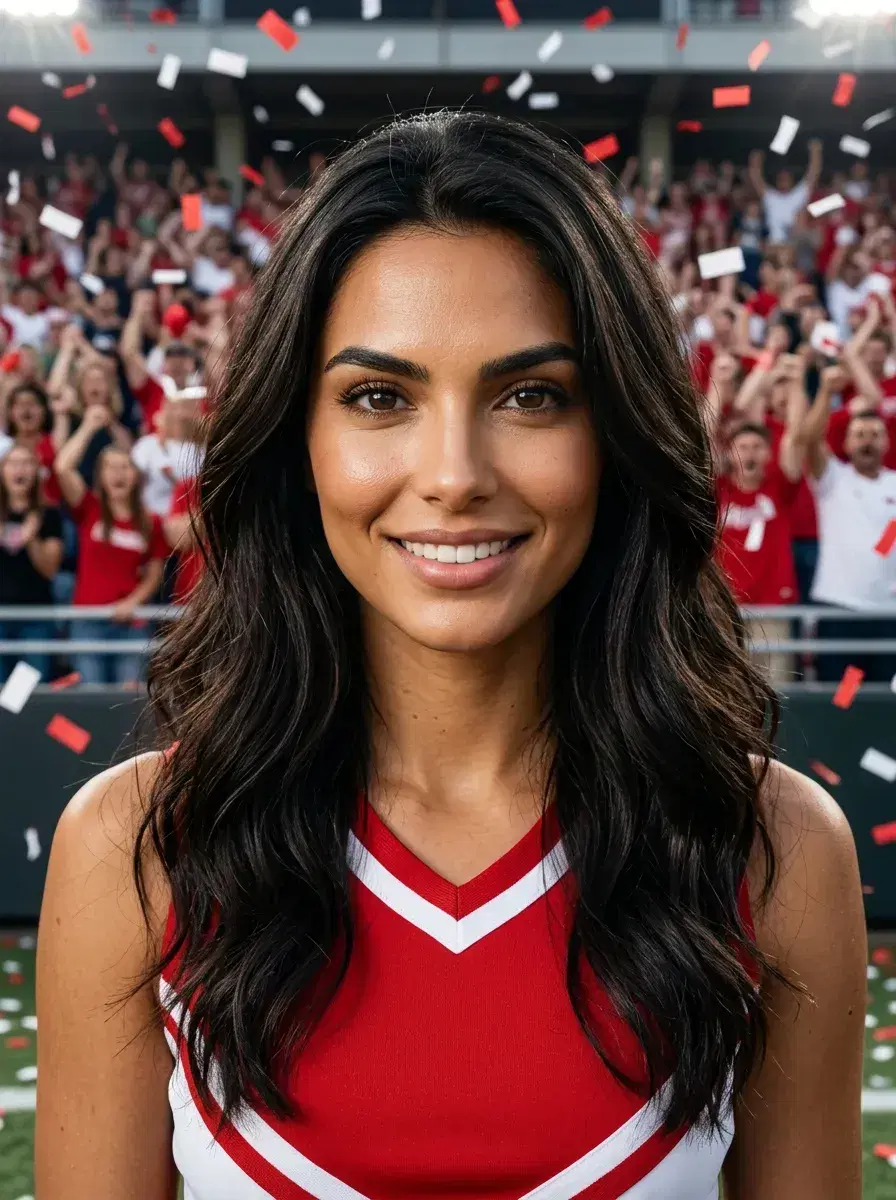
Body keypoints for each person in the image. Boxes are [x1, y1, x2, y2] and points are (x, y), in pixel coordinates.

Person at [37, 113, 864, 1200]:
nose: (453, 472)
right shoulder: (132, 850)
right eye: (379, 397)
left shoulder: (775, 850)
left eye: (531, 395)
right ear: (300, 439)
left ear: (612, 431)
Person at [795, 364, 896, 683]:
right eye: (860, 435)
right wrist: (825, 391)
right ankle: (847, 733)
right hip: (840, 608)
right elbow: (809, 439)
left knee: (883, 701)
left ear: (886, 444)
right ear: (847, 444)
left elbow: (887, 537)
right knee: (845, 697)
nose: (867, 441)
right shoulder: (833, 479)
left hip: (886, 613)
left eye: (875, 435)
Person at [53, 408, 167, 685]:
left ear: (136, 475)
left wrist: (133, 602)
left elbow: (155, 573)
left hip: (131, 623)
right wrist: (88, 427)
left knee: (126, 704)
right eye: (111, 468)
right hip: (89, 621)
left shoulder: (150, 521)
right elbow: (62, 467)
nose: (119, 474)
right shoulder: (89, 508)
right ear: (101, 475)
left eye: (125, 467)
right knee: (91, 699)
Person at [0, 444, 63, 682]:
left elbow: (50, 570)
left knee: (26, 693)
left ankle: (16, 720)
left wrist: (32, 538)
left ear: (36, 472)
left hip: (35, 618)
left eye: (27, 463)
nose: (20, 470)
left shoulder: (49, 514)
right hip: (0, 616)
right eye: (13, 463)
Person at [747, 141, 823, 245]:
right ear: (777, 182)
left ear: (792, 181)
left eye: (787, 178)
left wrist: (815, 152)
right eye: (781, 179)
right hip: (775, 245)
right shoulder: (771, 197)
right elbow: (755, 178)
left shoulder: (798, 195)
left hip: (795, 244)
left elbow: (813, 173)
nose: (784, 181)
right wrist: (755, 159)